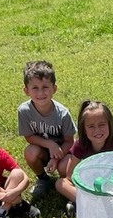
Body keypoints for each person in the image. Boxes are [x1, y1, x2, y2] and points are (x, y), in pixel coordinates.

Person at [17, 60, 76, 203]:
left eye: (45, 87)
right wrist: (49, 144)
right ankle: (43, 179)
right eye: (35, 88)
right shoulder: (24, 111)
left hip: (63, 153)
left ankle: (67, 185)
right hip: (42, 151)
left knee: (64, 166)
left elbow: (70, 141)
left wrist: (56, 157)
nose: (41, 92)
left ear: (54, 89)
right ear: (26, 90)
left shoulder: (62, 113)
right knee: (30, 152)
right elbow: (29, 137)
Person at [55, 100, 113, 213]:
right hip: (87, 185)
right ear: (84, 128)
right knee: (60, 183)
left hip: (109, 184)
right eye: (91, 126)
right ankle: (95, 205)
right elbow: (70, 176)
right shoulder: (80, 145)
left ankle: (83, 204)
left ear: (110, 124)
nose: (97, 130)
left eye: (102, 125)